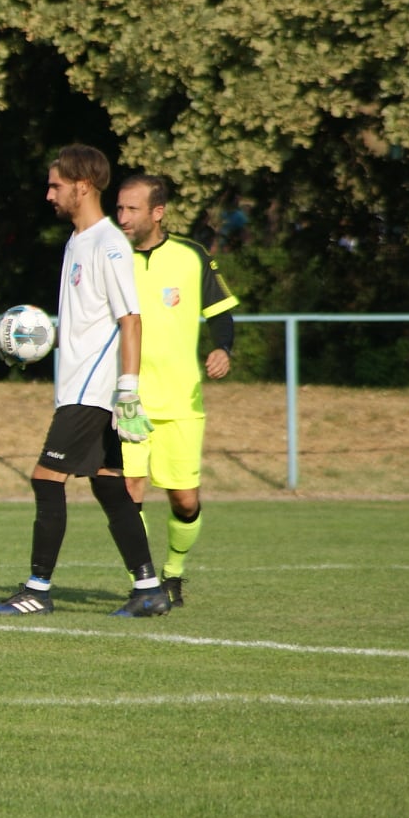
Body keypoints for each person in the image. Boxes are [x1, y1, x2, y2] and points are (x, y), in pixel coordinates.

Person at [0, 144, 169, 619]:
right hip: (80, 385)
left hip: (93, 390)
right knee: (109, 487)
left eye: (56, 185)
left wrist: (128, 390)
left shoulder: (108, 244)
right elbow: (88, 323)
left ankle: (37, 590)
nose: (49, 195)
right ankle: (149, 589)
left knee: (46, 478)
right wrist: (37, 344)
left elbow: (131, 319)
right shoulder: (77, 241)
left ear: (82, 186)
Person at [114, 174, 239, 608]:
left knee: (184, 501)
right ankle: (144, 581)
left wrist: (222, 348)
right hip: (127, 399)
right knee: (129, 491)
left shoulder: (191, 255)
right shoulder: (110, 256)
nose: (122, 217)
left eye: (132, 209)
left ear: (158, 212)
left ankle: (173, 573)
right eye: (119, 208)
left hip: (181, 399)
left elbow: (220, 313)